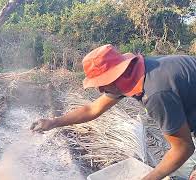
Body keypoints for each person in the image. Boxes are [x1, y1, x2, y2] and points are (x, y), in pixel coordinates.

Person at [30, 44, 196, 180]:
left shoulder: (156, 93)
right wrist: (53, 122)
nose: (100, 88)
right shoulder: (132, 74)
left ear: (118, 73)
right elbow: (92, 109)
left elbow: (183, 148)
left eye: (103, 82)